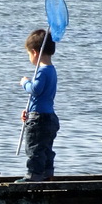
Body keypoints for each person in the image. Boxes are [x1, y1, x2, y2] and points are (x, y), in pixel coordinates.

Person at [15, 28, 59, 183]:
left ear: (34, 52)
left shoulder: (42, 71)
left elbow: (36, 90)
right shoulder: (52, 70)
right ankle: (47, 173)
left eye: (28, 54)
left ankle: (34, 175)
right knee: (46, 148)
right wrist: (29, 110)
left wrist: (25, 82)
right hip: (49, 116)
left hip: (39, 118)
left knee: (34, 148)